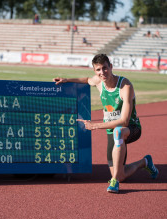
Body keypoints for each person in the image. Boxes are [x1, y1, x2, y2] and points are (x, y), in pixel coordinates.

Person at [53, 54, 159, 193]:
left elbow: (124, 121)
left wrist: (95, 125)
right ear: (95, 71)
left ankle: (114, 182)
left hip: (131, 128)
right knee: (121, 174)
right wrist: (66, 80)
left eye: (105, 68)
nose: (102, 72)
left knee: (118, 131)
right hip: (112, 130)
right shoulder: (98, 81)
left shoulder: (125, 85)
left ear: (111, 67)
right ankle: (144, 162)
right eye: (98, 70)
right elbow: (86, 80)